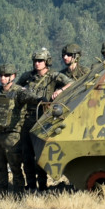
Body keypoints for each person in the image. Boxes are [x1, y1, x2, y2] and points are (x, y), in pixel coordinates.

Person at [17, 48, 72, 191]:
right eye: (35, 61)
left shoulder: (53, 76)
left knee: (40, 155)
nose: (37, 64)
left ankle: (42, 185)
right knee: (27, 155)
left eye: (40, 61)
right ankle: (30, 185)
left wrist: (60, 90)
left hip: (43, 119)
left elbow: (72, 84)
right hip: (27, 119)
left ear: (47, 62)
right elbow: (16, 88)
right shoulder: (27, 77)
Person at [0, 63, 37, 195]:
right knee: (0, 167)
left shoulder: (19, 91)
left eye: (6, 76)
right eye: (1, 76)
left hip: (12, 136)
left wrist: (38, 99)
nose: (2, 78)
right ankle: (2, 192)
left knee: (15, 167)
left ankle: (18, 194)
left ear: (13, 76)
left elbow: (30, 98)